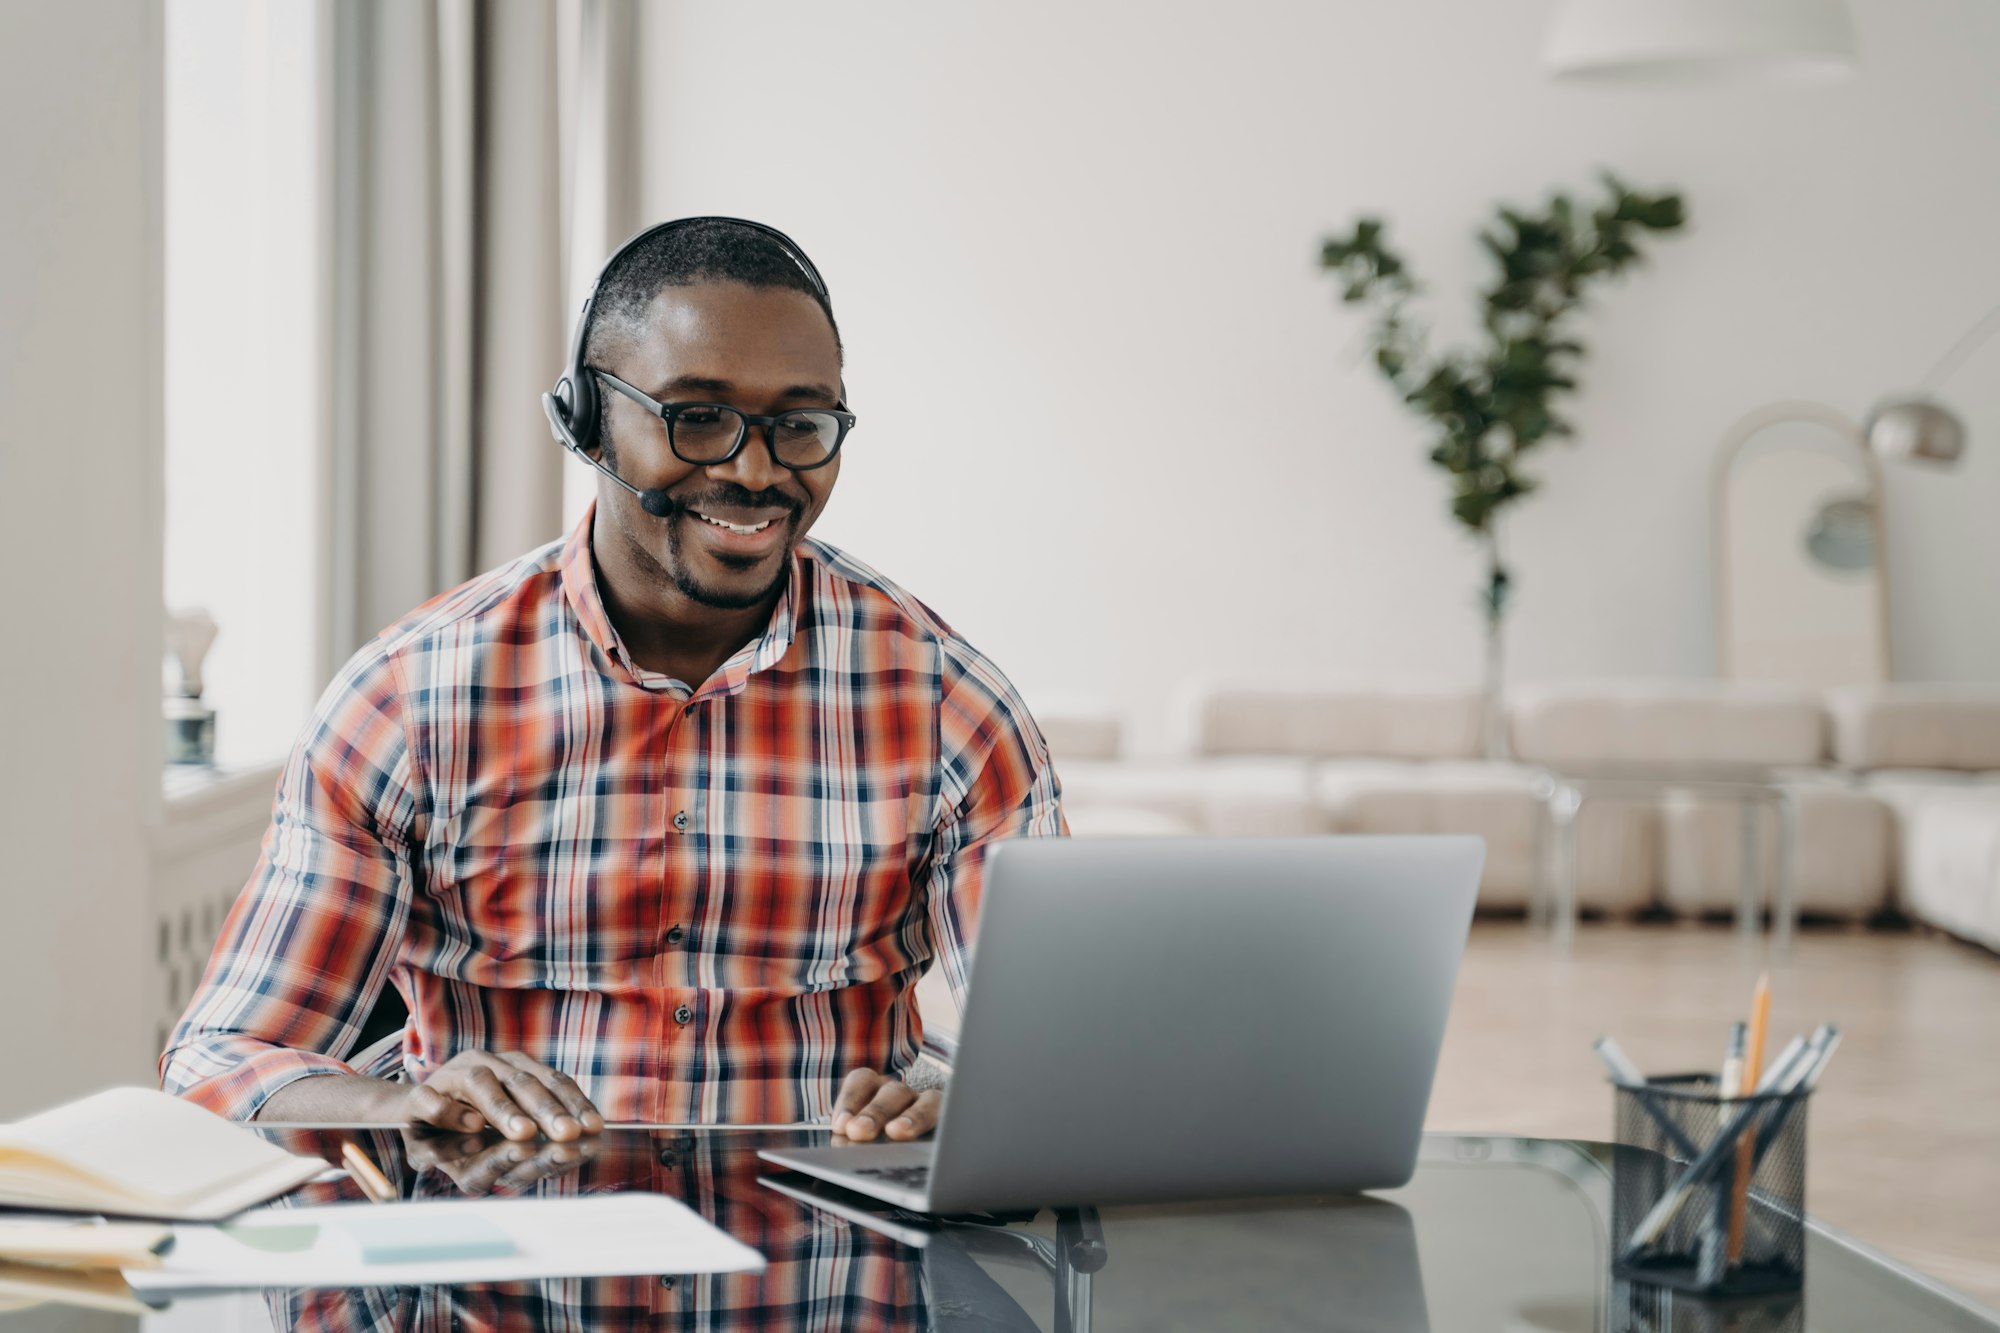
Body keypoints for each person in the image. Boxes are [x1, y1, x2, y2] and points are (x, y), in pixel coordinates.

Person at [162, 217, 1064, 1146]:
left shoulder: (949, 706)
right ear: (586, 420)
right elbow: (221, 1063)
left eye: (798, 425)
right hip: (498, 1274)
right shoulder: (407, 702)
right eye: (697, 417)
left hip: (829, 1277)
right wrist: (393, 1103)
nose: (753, 471)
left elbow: (1064, 1068)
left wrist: (979, 1106)